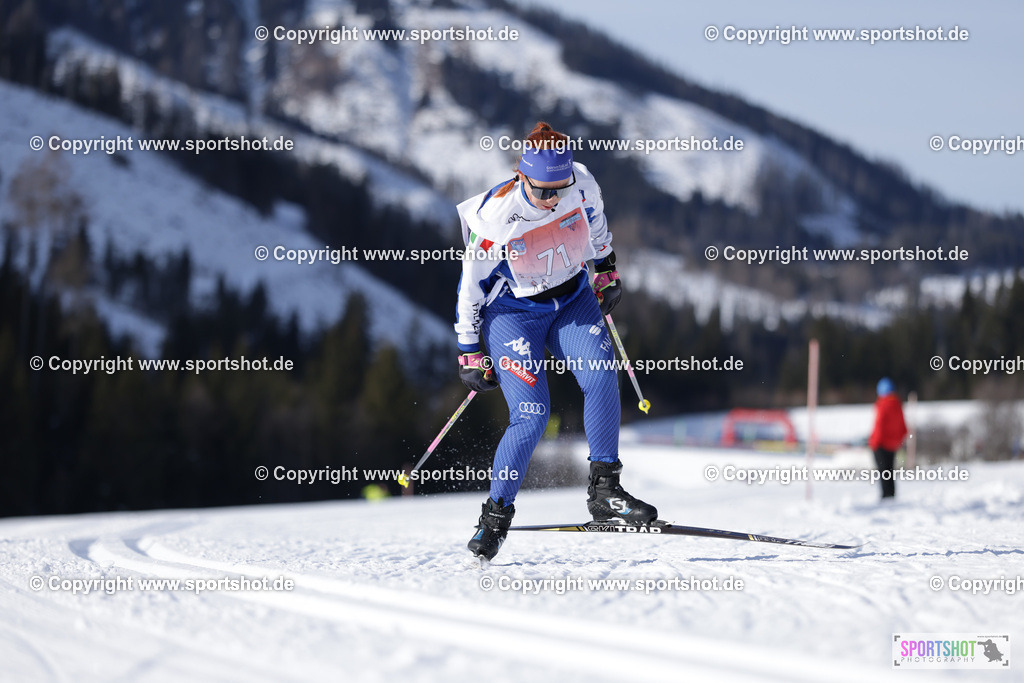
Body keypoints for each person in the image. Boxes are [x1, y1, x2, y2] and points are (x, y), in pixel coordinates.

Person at [454, 122, 657, 560]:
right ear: (521, 176)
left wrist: (606, 267)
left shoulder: (580, 183)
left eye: (559, 189)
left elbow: (597, 223)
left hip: (571, 299)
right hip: (512, 313)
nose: (552, 199)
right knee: (531, 413)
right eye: (543, 191)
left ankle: (605, 492)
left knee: (602, 375)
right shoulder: (494, 219)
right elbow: (469, 289)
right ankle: (494, 517)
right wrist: (470, 350)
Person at [868, 377, 908, 500]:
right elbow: (904, 428)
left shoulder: (882, 405)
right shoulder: (898, 405)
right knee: (889, 472)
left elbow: (879, 426)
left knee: (883, 472)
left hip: (880, 445)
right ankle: (891, 496)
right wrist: (898, 441)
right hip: (893, 446)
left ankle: (886, 497)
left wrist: (874, 442)